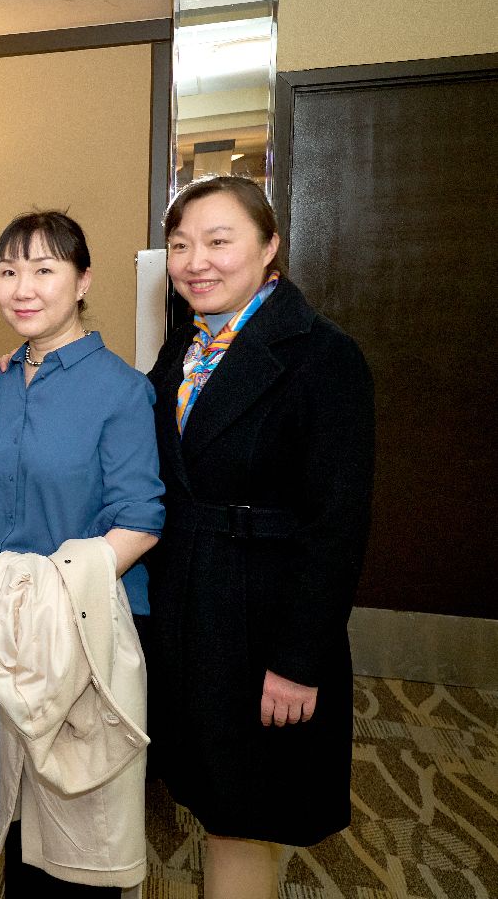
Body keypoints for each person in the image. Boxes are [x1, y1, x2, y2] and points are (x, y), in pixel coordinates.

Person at [147, 175, 374, 899]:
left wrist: (298, 661)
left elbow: (338, 526)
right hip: (192, 607)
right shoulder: (187, 346)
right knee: (219, 801)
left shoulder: (323, 356)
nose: (195, 262)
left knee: (243, 811)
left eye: (219, 241)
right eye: (180, 245)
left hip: (263, 618)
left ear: (270, 245)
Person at [0, 211, 164, 895]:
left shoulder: (121, 389)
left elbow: (141, 521)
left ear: (83, 281)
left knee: (84, 821)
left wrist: (51, 593)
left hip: (84, 625)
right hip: (2, 624)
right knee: (20, 804)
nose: (23, 288)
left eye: (44, 270)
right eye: (8, 271)